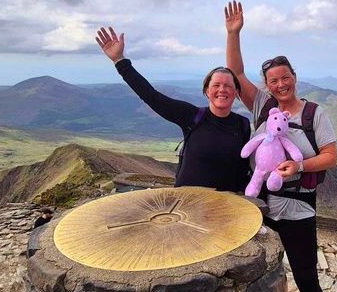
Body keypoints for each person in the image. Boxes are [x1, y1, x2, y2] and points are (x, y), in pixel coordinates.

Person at [223, 1, 337, 292]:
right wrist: (233, 33)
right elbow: (234, 71)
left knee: (305, 271)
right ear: (267, 85)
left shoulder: (313, 113)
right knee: (266, 266)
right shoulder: (261, 105)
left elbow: (331, 156)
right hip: (262, 205)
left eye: (285, 78)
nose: (280, 84)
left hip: (299, 205)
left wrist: (299, 164)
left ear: (295, 77)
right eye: (273, 80)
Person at [95, 26, 250, 193]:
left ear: (236, 93)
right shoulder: (192, 116)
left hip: (227, 207)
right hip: (187, 203)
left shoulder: (242, 124)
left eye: (228, 86)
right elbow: (151, 96)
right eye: (216, 85)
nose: (222, 90)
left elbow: (242, 168)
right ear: (206, 90)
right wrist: (120, 61)